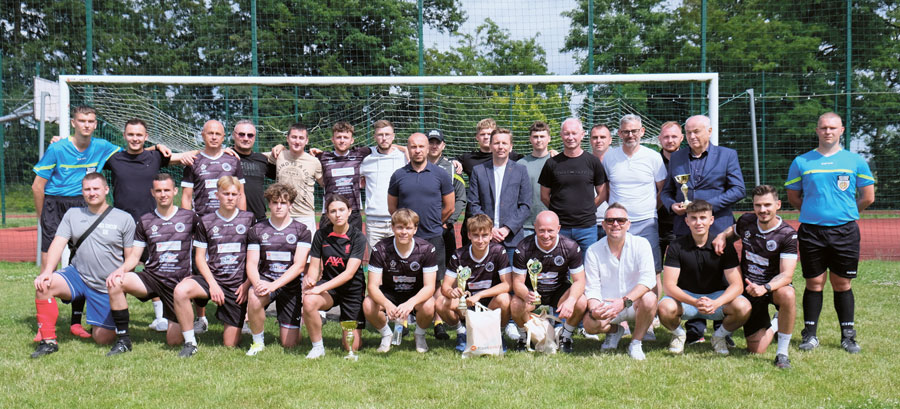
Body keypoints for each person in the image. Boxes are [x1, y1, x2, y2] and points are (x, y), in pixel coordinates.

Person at [785, 112, 874, 354]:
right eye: (823, 127)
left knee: (842, 283)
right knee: (814, 283)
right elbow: (794, 197)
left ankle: (848, 336)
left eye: (833, 127)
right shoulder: (802, 161)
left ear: (841, 130)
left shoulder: (855, 161)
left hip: (845, 231)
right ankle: (810, 334)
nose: (828, 131)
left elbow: (868, 197)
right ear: (817, 130)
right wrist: (816, 213)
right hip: (812, 231)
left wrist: (844, 213)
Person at [32, 106, 122, 338]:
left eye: (91, 121)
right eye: (82, 120)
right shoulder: (57, 148)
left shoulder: (101, 146)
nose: (86, 125)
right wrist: (43, 219)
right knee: (48, 266)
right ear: (73, 123)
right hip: (55, 204)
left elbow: (134, 153)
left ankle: (75, 322)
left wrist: (160, 152)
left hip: (82, 203)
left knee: (83, 263)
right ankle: (44, 329)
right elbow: (37, 186)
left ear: (95, 124)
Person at [104, 118, 200, 332]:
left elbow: (185, 156)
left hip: (153, 226)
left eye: (139, 135)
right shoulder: (114, 159)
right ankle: (117, 321)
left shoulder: (155, 157)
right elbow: (85, 153)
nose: (135, 138)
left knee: (156, 269)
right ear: (124, 136)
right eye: (131, 134)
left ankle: (161, 318)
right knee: (120, 273)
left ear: (146, 136)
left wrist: (221, 151)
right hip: (122, 226)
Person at [31, 173, 136, 358]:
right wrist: (47, 271)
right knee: (44, 285)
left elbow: (130, 259)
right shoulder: (73, 214)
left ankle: (99, 322)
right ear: (82, 192)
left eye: (96, 189)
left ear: (106, 190)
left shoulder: (124, 218)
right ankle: (48, 341)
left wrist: (120, 288)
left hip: (105, 284)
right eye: (87, 189)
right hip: (77, 275)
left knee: (103, 338)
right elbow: (58, 243)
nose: (91, 193)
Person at [661, 115, 745, 345]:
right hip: (684, 226)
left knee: (722, 277)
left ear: (709, 131)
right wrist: (672, 205)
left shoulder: (727, 155)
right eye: (688, 132)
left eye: (697, 131)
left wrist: (705, 208)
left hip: (718, 227)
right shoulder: (677, 157)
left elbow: (738, 189)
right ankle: (694, 331)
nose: (692, 136)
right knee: (689, 277)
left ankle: (722, 331)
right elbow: (666, 191)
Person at [104, 174, 199, 354]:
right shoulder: (145, 220)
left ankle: (186, 323)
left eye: (167, 190)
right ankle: (123, 340)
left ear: (175, 191)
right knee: (115, 282)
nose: (163, 194)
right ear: (152, 193)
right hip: (152, 277)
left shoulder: (189, 217)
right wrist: (120, 270)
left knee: (173, 340)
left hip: (177, 283)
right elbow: (134, 256)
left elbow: (204, 246)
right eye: (159, 191)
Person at [712, 185, 798, 368]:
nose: (762, 210)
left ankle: (782, 354)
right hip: (749, 288)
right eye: (758, 205)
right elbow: (733, 230)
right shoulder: (747, 221)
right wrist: (721, 236)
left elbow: (787, 275)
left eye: (767, 205)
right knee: (756, 349)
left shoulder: (787, 234)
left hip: (771, 287)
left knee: (788, 294)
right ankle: (776, 322)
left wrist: (765, 288)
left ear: (778, 205)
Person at [171, 176, 254, 357]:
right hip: (213, 280)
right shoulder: (206, 221)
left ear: (239, 196)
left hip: (237, 285)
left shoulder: (249, 219)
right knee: (181, 290)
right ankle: (190, 342)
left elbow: (254, 257)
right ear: (217, 195)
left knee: (230, 344)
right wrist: (213, 284)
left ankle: (237, 320)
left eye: (234, 194)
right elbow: (200, 258)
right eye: (226, 194)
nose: (230, 198)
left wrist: (247, 284)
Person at [657, 200, 751, 355]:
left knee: (743, 306)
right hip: (687, 299)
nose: (698, 222)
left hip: (717, 299)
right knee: (664, 307)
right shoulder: (676, 246)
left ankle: (719, 336)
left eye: (703, 218)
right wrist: (694, 302)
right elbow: (669, 286)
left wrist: (716, 303)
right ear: (687, 221)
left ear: (711, 220)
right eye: (693, 218)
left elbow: (737, 285)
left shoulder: (724, 245)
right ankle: (679, 335)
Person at [181, 119, 246, 334]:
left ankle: (242, 315)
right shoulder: (193, 161)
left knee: (235, 266)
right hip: (203, 225)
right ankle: (201, 318)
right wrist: (188, 224)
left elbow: (241, 193)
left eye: (218, 133)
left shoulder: (232, 160)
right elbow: (187, 196)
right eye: (210, 133)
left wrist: (244, 220)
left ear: (224, 136)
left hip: (231, 225)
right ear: (203, 135)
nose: (214, 137)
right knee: (200, 267)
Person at [582, 204, 658, 360]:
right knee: (590, 325)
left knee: (650, 298)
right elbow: (592, 287)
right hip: (607, 305)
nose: (615, 224)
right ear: (603, 225)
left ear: (628, 224)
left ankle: (636, 343)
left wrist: (624, 302)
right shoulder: (593, 250)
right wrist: (595, 310)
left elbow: (648, 279)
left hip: (633, 303)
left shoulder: (641, 244)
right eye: (610, 221)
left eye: (620, 220)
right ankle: (615, 331)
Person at [244, 183, 312, 356]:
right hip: (265, 279)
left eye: (283, 202)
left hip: (290, 285)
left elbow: (299, 265)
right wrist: (258, 284)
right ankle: (257, 342)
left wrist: (274, 286)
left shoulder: (302, 230)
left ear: (290, 205)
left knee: (289, 344)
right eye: (275, 202)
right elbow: (251, 263)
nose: (279, 206)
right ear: (269, 204)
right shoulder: (257, 229)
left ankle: (292, 323)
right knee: (254, 296)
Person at [301, 194, 368, 359]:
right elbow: (314, 267)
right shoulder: (320, 235)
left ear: (349, 211)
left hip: (352, 290)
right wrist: (311, 281)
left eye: (341, 210)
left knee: (352, 346)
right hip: (330, 288)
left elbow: (349, 273)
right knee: (309, 300)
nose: (338, 214)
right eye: (333, 211)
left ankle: (352, 334)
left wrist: (320, 288)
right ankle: (318, 347)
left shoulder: (358, 237)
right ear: (327, 214)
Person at [510, 211, 586, 354]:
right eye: (541, 230)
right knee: (515, 304)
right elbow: (517, 282)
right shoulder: (523, 247)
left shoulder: (570, 246)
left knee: (581, 301)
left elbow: (579, 280)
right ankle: (524, 336)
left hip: (558, 290)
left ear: (558, 228)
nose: (546, 235)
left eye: (550, 230)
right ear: (535, 228)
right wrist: (526, 294)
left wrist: (571, 300)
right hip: (533, 291)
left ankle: (565, 336)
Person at [363, 209, 437, 353]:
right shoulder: (380, 248)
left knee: (429, 305)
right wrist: (387, 304)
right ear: (392, 227)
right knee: (368, 304)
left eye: (408, 228)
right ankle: (386, 335)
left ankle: (419, 335)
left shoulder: (427, 249)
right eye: (400, 227)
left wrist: (411, 303)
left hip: (415, 294)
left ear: (415, 229)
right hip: (390, 293)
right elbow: (372, 286)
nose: (404, 232)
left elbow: (429, 287)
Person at [436, 214, 512, 352]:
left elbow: (507, 285)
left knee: (505, 298)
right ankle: (462, 332)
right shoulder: (459, 255)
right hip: (467, 305)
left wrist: (480, 295)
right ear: (469, 235)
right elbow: (445, 287)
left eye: (484, 235)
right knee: (441, 302)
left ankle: (497, 335)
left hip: (490, 304)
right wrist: (452, 292)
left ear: (491, 235)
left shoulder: (498, 251)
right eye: (476, 235)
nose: (480, 240)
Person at [539, 118, 608, 256]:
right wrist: (559, 211)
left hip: (587, 228)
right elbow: (544, 196)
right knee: (559, 264)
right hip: (560, 228)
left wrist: (588, 208)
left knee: (589, 265)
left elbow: (603, 193)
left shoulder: (593, 162)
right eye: (566, 133)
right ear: (561, 135)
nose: (570, 137)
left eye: (574, 133)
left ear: (582, 135)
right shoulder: (551, 163)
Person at [388, 133, 454, 276]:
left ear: (427, 148)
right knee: (407, 278)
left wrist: (435, 223)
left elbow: (450, 207)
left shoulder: (441, 174)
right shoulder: (398, 175)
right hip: (407, 237)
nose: (417, 150)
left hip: (433, 236)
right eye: (413, 147)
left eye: (421, 146)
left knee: (435, 280)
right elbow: (392, 208)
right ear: (408, 149)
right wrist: (406, 226)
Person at [467, 128, 532, 262]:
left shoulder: (520, 170)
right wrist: (489, 229)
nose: (500, 147)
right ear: (491, 146)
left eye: (504, 143)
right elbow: (473, 204)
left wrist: (507, 228)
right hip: (485, 239)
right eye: (496, 143)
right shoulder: (478, 171)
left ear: (511, 147)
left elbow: (525, 205)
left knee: (513, 275)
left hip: (512, 239)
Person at [455, 118, 523, 246]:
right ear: (477, 137)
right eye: (483, 134)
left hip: (506, 230)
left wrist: (551, 153)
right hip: (476, 221)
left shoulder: (513, 159)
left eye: (489, 134)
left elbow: (533, 158)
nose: (486, 137)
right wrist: (454, 161)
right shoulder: (469, 159)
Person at [426, 128, 466, 340]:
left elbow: (460, 199)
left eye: (437, 142)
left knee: (443, 276)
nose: (433, 146)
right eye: (430, 142)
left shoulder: (451, 168)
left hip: (442, 230)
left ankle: (439, 319)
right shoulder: (414, 164)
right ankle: (408, 318)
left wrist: (446, 223)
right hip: (420, 231)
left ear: (443, 145)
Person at [315, 121, 372, 231]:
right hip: (330, 212)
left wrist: (404, 149)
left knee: (354, 242)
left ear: (352, 140)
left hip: (353, 212)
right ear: (333, 139)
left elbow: (384, 147)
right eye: (338, 137)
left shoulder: (360, 154)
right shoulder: (322, 157)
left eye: (346, 137)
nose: (342, 140)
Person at [360, 120, 408, 247]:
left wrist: (453, 161)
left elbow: (427, 157)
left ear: (393, 136)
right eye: (380, 135)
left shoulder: (404, 157)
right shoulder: (366, 159)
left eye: (387, 134)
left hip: (399, 219)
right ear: (374, 137)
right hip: (374, 222)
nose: (384, 138)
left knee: (400, 258)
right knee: (375, 258)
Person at [270, 123, 323, 233]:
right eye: (294, 137)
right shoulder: (278, 155)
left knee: (307, 244)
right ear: (287, 139)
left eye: (301, 138)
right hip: (281, 214)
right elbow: (251, 156)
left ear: (306, 141)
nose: (297, 141)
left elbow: (325, 183)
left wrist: (325, 157)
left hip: (304, 215)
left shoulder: (314, 162)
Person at [231, 119, 276, 223]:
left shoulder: (262, 159)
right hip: (232, 220)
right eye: (241, 134)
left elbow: (283, 173)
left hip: (259, 220)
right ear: (234, 135)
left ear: (255, 137)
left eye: (250, 135)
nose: (246, 138)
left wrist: (281, 148)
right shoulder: (225, 157)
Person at [517, 121, 553, 237]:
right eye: (535, 136)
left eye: (542, 136)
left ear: (549, 138)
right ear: (530, 139)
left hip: (550, 224)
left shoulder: (557, 162)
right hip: (526, 224)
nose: (539, 140)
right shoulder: (520, 164)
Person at [656, 121, 684, 261]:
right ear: (660, 139)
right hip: (655, 223)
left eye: (674, 136)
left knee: (683, 266)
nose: (670, 140)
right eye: (666, 137)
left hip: (682, 222)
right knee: (653, 267)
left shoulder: (689, 160)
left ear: (682, 138)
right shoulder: (652, 160)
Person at [590, 124, 612, 239]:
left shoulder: (619, 162)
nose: (598, 140)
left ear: (610, 140)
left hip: (614, 222)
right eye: (595, 137)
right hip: (589, 223)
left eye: (603, 137)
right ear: (590, 140)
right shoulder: (583, 161)